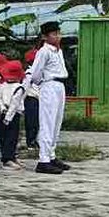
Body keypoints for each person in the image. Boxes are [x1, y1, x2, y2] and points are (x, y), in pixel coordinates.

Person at [29, 22, 71, 175]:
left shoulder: (58, 51)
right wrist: (42, 83)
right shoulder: (44, 51)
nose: (57, 36)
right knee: (47, 122)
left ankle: (51, 155)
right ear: (45, 37)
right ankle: (43, 159)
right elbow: (36, 73)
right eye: (53, 34)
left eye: (58, 33)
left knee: (56, 122)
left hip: (60, 85)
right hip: (49, 85)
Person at [0, 61, 26, 169]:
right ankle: (7, 158)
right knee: (12, 137)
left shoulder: (2, 85)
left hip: (2, 112)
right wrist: (8, 117)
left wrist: (2, 108)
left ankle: (11, 157)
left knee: (5, 136)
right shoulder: (19, 88)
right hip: (13, 115)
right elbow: (15, 104)